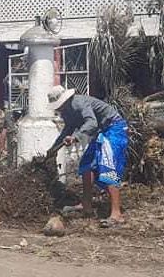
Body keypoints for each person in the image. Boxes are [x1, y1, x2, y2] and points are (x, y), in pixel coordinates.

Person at [46, 85, 128, 226]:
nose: (58, 109)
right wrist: (53, 149)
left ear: (65, 100)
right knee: (86, 166)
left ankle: (116, 214)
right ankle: (86, 205)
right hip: (102, 132)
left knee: (107, 167)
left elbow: (91, 122)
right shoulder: (67, 111)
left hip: (114, 128)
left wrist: (75, 137)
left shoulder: (79, 103)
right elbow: (68, 129)